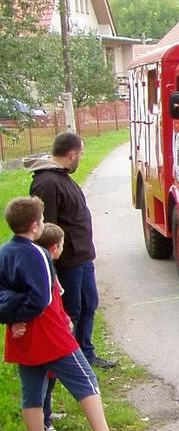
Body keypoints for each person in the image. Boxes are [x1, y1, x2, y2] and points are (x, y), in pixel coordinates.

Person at [0, 197, 145, 431]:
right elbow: (41, 298)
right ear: (35, 225)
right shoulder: (37, 254)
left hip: (22, 337)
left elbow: (3, 295)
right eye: (42, 221)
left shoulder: (4, 252)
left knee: (31, 394)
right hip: (49, 334)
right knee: (85, 379)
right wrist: (24, 313)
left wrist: (13, 317)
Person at [28, 132, 116, 370]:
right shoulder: (47, 182)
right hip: (67, 262)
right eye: (81, 153)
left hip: (82, 257)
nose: (81, 158)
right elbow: (45, 229)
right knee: (71, 310)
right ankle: (66, 360)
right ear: (72, 153)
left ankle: (85, 353)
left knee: (89, 304)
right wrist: (50, 267)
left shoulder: (62, 177)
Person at [35, 223, 65, 431]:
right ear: (55, 248)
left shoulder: (49, 268)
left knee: (50, 380)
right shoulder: (45, 271)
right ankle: (45, 424)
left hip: (57, 329)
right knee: (43, 382)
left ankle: (48, 413)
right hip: (49, 336)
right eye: (62, 244)